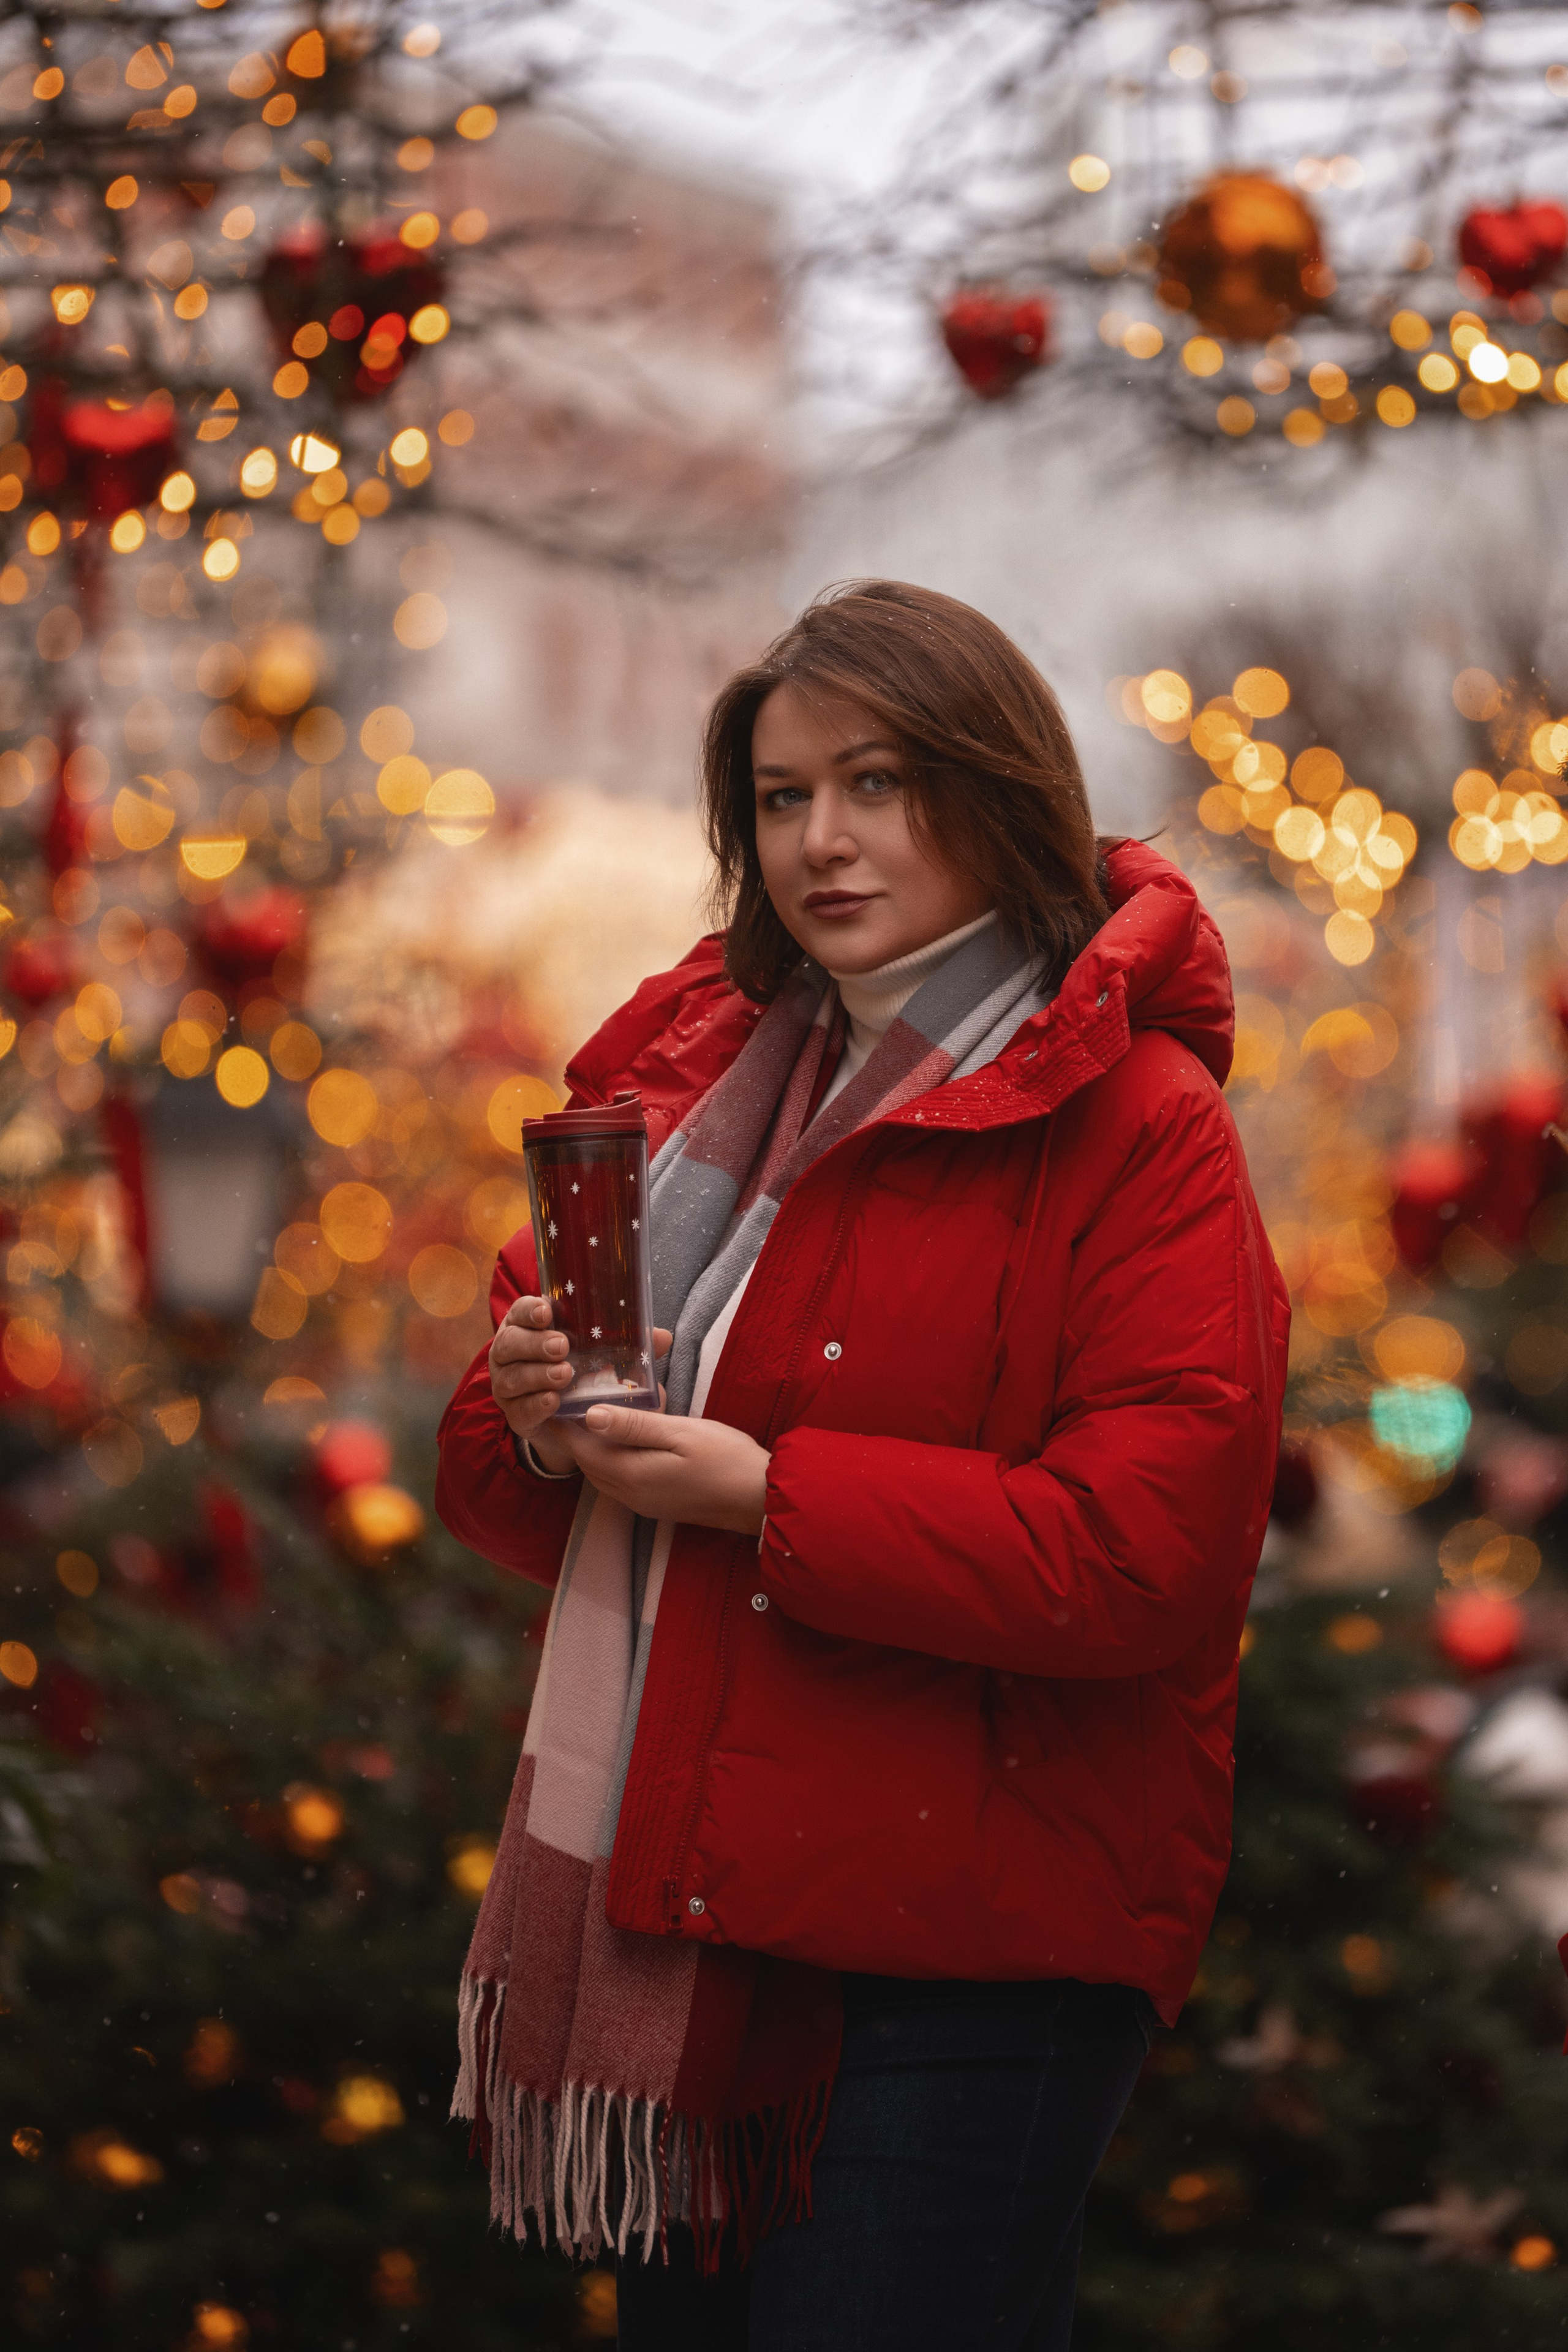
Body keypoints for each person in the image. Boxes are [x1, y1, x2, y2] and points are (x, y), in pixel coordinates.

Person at [435, 579, 1290, 2351]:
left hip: (983, 1943)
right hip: (708, 1921)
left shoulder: (1141, 1127)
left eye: (881, 783)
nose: (824, 839)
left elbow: (1147, 1556)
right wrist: (529, 1406)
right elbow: (507, 1475)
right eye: (780, 796)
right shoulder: (692, 1090)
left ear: (997, 790)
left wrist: (769, 1496)